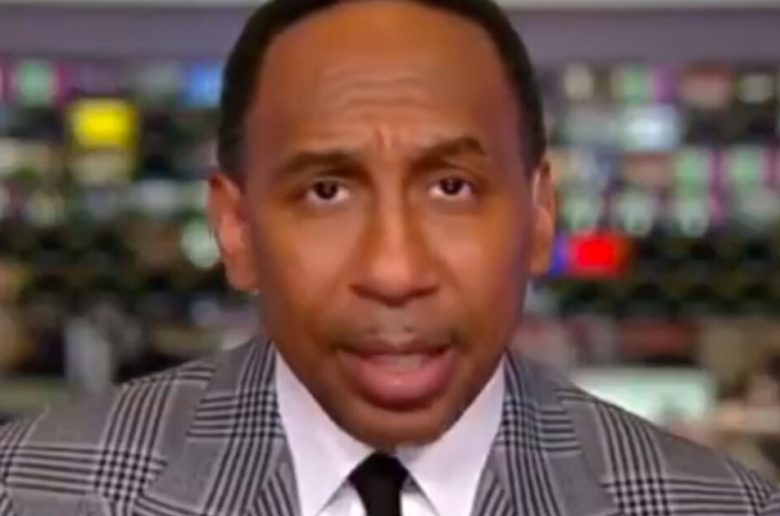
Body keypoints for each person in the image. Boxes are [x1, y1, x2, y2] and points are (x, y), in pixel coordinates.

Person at [1, 0, 778, 514]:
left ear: (541, 214)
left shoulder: (718, 508)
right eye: (327, 192)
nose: (395, 272)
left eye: (451, 187)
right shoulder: (30, 491)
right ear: (235, 230)